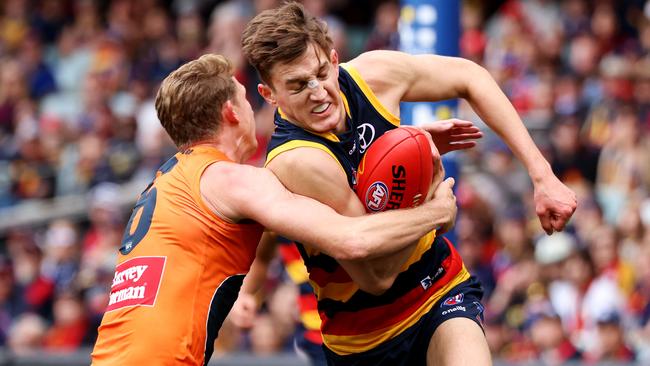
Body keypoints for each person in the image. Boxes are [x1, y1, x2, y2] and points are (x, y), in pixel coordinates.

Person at [241, 3, 577, 365]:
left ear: (335, 58)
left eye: (322, 73)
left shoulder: (373, 75)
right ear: (269, 94)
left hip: (439, 287)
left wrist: (541, 175)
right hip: (365, 337)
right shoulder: (297, 161)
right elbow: (376, 275)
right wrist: (432, 210)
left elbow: (470, 76)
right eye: (297, 85)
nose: (319, 92)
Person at [90, 54, 458, 365]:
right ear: (232, 112)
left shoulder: (169, 181)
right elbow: (352, 240)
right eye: (247, 99)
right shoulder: (233, 182)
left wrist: (403, 143)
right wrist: (434, 212)